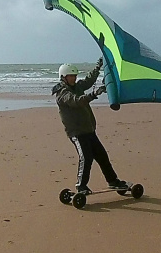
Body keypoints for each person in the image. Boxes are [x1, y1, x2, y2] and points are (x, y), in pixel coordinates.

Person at [51, 57, 128, 194]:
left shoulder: (77, 87)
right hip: (77, 133)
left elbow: (89, 80)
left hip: (89, 130)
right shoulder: (62, 93)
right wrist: (93, 94)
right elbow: (77, 101)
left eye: (75, 76)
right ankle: (81, 186)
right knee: (86, 158)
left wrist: (98, 67)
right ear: (63, 77)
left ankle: (113, 181)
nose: (74, 78)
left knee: (102, 156)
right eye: (71, 76)